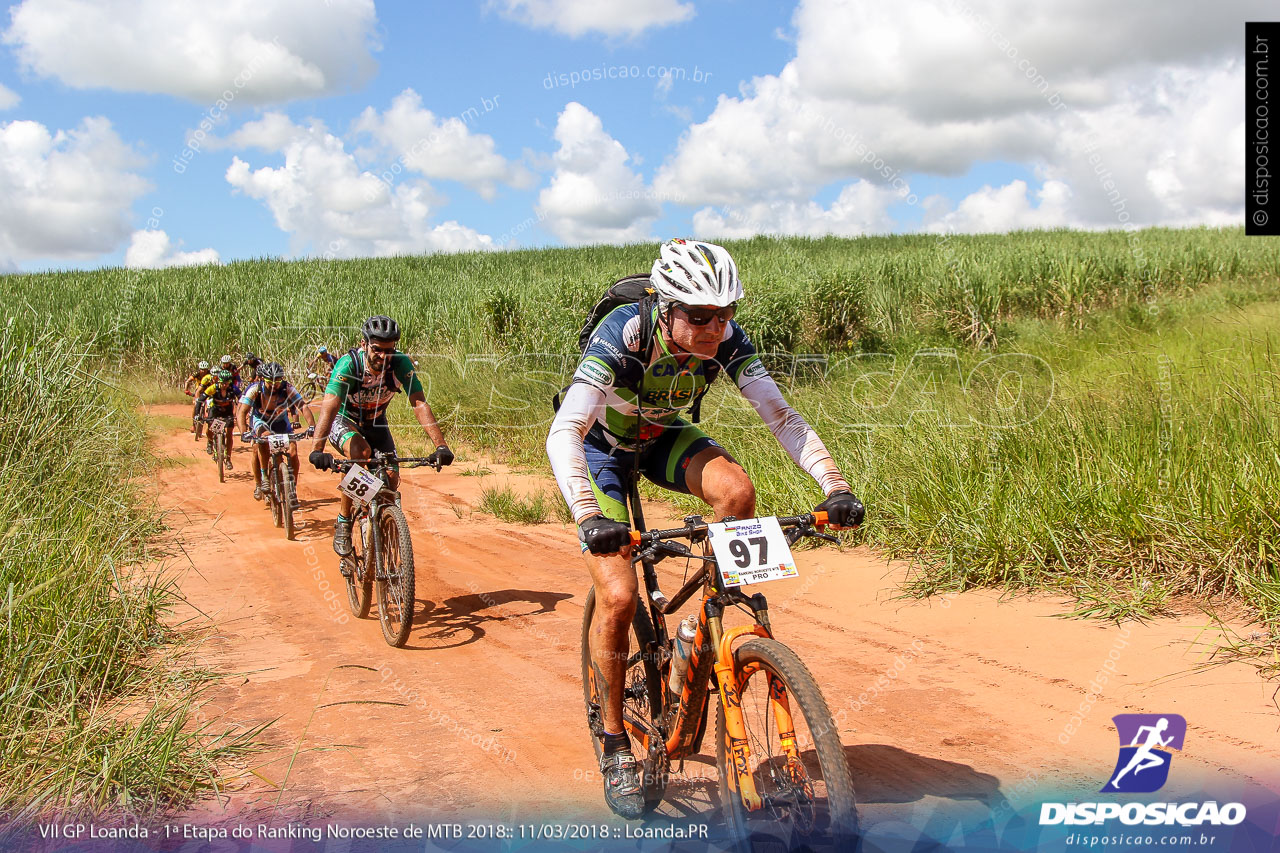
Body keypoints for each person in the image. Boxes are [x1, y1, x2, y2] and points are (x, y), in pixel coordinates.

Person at [545, 238, 865, 819]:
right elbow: (564, 430)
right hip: (603, 452)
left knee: (737, 492)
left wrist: (833, 485)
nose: (715, 328)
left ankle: (707, 621)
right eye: (698, 316)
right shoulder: (623, 334)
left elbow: (781, 416)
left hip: (662, 438)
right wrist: (590, 516)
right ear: (666, 308)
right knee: (618, 598)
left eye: (726, 313)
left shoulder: (727, 341)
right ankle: (616, 739)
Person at [307, 316, 454, 557]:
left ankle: (384, 524)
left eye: (389, 350)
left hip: (376, 423)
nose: (383, 356)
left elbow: (418, 403)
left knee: (391, 476)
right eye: (376, 349)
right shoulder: (348, 365)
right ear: (363, 344)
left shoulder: (400, 364)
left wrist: (441, 446)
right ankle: (344, 522)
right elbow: (330, 406)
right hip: (344, 419)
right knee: (360, 454)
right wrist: (317, 449)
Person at [237, 362, 315, 506]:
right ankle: (264, 477)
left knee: (293, 451)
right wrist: (244, 432)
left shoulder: (287, 388)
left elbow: (302, 406)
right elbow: (242, 411)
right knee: (264, 439)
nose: (274, 384)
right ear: (263, 379)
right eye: (270, 381)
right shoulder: (255, 389)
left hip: (280, 422)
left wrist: (312, 426)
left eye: (278, 381)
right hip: (261, 420)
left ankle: (292, 489)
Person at [198, 369, 239, 467]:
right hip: (215, 410)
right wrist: (197, 414)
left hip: (228, 411)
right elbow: (200, 400)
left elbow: (242, 400)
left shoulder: (233, 389)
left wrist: (238, 414)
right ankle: (211, 441)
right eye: (222, 383)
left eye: (226, 383)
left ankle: (228, 458)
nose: (224, 385)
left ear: (229, 382)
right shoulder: (212, 388)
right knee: (211, 430)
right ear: (218, 381)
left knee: (229, 433)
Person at [184, 361, 212, 436]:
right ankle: (193, 424)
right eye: (202, 369)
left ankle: (206, 414)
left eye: (205, 369)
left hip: (208, 390)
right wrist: (186, 390)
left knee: (209, 403)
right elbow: (188, 381)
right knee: (196, 405)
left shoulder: (210, 374)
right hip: (199, 390)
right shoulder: (196, 374)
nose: (203, 371)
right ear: (199, 369)